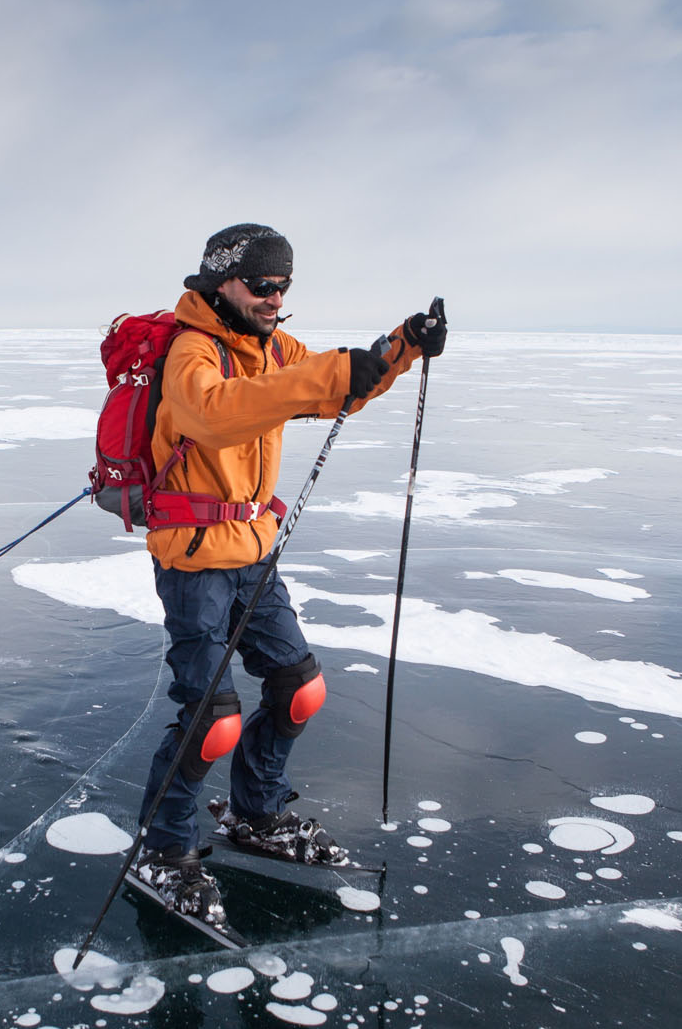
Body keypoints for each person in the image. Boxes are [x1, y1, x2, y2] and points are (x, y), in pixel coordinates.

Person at [134, 222, 447, 922]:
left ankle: (258, 813)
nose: (276, 297)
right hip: (194, 560)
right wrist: (328, 374)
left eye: (284, 286)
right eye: (262, 284)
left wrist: (400, 347)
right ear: (223, 280)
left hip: (254, 555)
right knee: (212, 719)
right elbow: (217, 416)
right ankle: (165, 848)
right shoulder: (193, 352)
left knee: (299, 689)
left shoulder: (273, 349)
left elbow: (339, 386)